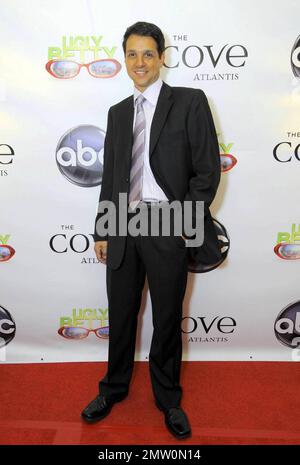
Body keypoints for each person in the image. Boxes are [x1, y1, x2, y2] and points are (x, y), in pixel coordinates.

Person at [81, 21, 221, 440]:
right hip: (123, 222)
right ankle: (113, 388)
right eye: (131, 54)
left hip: (167, 222)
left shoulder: (191, 102)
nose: (139, 62)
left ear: (162, 56)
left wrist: (184, 222)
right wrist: (103, 229)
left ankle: (168, 399)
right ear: (124, 59)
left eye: (147, 54)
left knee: (165, 320)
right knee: (121, 314)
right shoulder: (118, 112)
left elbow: (207, 171)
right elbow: (112, 179)